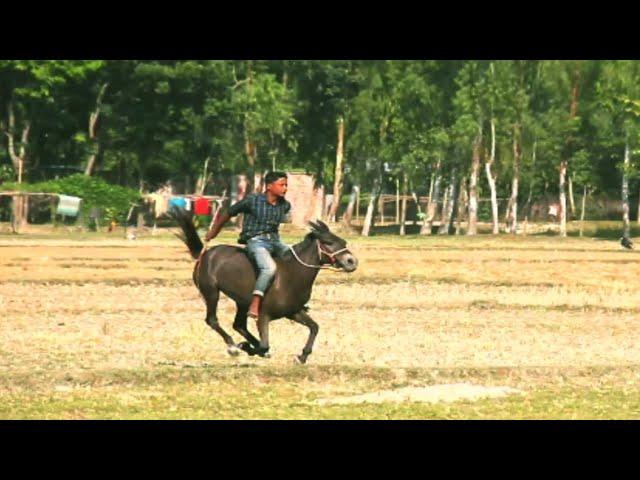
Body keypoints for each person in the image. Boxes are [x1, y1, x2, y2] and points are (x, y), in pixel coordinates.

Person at [205, 171, 291, 318]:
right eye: (281, 185)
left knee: (295, 258)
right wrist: (214, 231)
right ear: (269, 186)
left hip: (275, 241)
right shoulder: (252, 200)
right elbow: (229, 213)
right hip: (256, 241)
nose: (285, 188)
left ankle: (291, 300)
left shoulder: (285, 205)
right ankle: (255, 303)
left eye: (286, 185)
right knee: (269, 268)